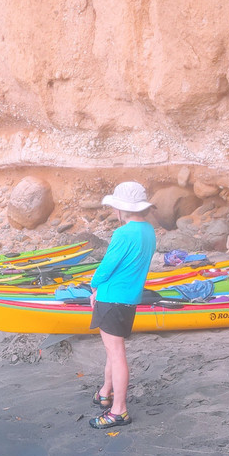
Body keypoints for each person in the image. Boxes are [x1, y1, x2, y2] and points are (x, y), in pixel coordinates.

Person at [88, 182, 157, 429]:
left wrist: (93, 286)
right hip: (130, 300)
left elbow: (106, 267)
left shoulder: (122, 234)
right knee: (113, 349)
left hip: (111, 298)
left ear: (120, 209)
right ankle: (105, 393)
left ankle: (119, 410)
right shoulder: (149, 231)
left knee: (116, 354)